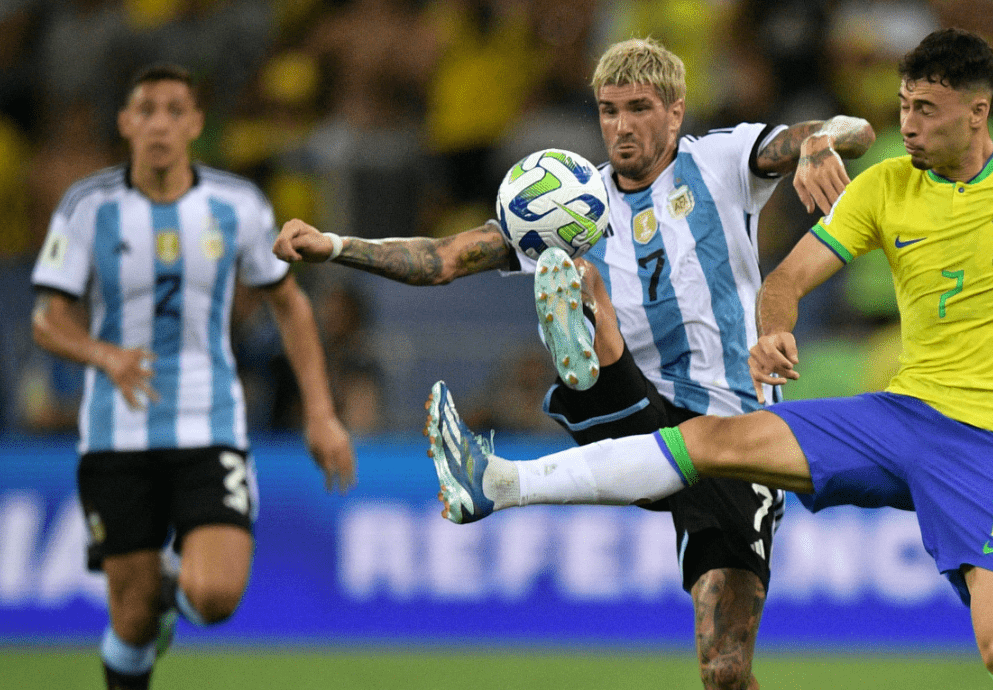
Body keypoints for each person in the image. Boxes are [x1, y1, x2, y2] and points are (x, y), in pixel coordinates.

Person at [422, 29, 993, 690]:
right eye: (903, 105)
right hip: (902, 417)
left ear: (977, 112)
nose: (907, 125)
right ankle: (500, 482)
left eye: (925, 110)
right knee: (715, 439)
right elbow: (787, 278)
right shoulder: (884, 186)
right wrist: (774, 329)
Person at [273, 37, 874, 690]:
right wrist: (336, 244)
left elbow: (855, 129)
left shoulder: (722, 159)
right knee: (580, 280)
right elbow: (442, 258)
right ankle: (588, 332)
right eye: (609, 110)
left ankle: (581, 328)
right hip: (639, 419)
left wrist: (820, 140)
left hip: (735, 432)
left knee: (725, 672)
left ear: (675, 111)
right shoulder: (571, 203)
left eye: (639, 108)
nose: (621, 126)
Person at [30, 64, 356, 690]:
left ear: (195, 125)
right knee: (130, 619)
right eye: (146, 110)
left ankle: (167, 594)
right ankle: (148, 610)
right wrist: (105, 356)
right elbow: (47, 319)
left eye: (174, 110)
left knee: (214, 597)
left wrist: (320, 414)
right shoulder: (87, 206)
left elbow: (289, 304)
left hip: (211, 425)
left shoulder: (237, 205)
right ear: (126, 123)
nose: (160, 123)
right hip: (116, 432)